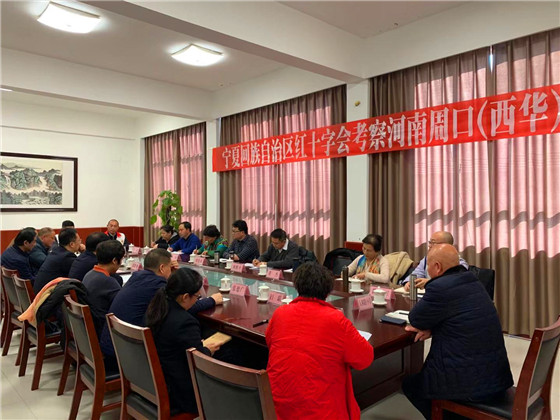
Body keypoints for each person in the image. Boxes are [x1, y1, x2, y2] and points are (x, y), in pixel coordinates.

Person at [402, 244, 513, 420]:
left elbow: (416, 319)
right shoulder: (472, 280)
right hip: (497, 376)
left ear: (437, 266)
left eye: (428, 265)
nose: (427, 270)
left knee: (411, 385)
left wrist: (431, 327)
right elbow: (460, 318)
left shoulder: (440, 287)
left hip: (468, 385)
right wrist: (435, 328)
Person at [266, 263, 374, 420]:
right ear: (328, 291)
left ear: (297, 286)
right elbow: (365, 358)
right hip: (320, 410)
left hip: (277, 406)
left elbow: (270, 342)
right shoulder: (335, 319)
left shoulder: (280, 313)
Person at [99, 249, 221, 356]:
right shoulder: (157, 285)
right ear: (162, 268)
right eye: (169, 267)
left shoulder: (137, 277)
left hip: (116, 343)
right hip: (127, 353)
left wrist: (173, 275)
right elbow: (181, 306)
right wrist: (212, 300)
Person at [146, 268, 221, 418]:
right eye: (197, 297)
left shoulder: (157, 307)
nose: (197, 301)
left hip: (152, 382)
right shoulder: (185, 322)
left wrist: (196, 346)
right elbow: (198, 362)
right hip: (180, 395)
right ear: (185, 297)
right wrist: (206, 350)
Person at [82, 240, 125, 335]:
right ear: (114, 261)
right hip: (104, 332)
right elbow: (122, 307)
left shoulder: (89, 274)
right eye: (121, 260)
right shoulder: (108, 282)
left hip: (90, 329)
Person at [403, 231, 468, 291]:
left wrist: (429, 282)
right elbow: (416, 274)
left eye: (433, 243)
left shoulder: (459, 263)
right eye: (430, 242)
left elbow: (455, 281)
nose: (429, 246)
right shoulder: (426, 260)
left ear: (446, 245)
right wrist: (409, 282)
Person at [33, 228, 82, 294]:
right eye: (79, 240)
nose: (80, 243)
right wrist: (84, 252)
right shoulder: (67, 258)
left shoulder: (56, 251)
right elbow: (80, 272)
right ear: (72, 244)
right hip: (45, 296)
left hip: (41, 292)